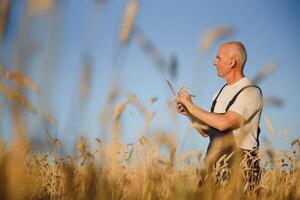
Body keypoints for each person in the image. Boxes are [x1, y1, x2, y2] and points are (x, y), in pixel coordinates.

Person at [176, 41, 263, 186]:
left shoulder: (251, 91)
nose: (214, 62)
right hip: (214, 167)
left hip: (240, 170)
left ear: (232, 62)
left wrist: (191, 106)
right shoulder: (219, 93)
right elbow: (206, 132)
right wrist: (189, 113)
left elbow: (224, 123)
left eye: (218, 58)